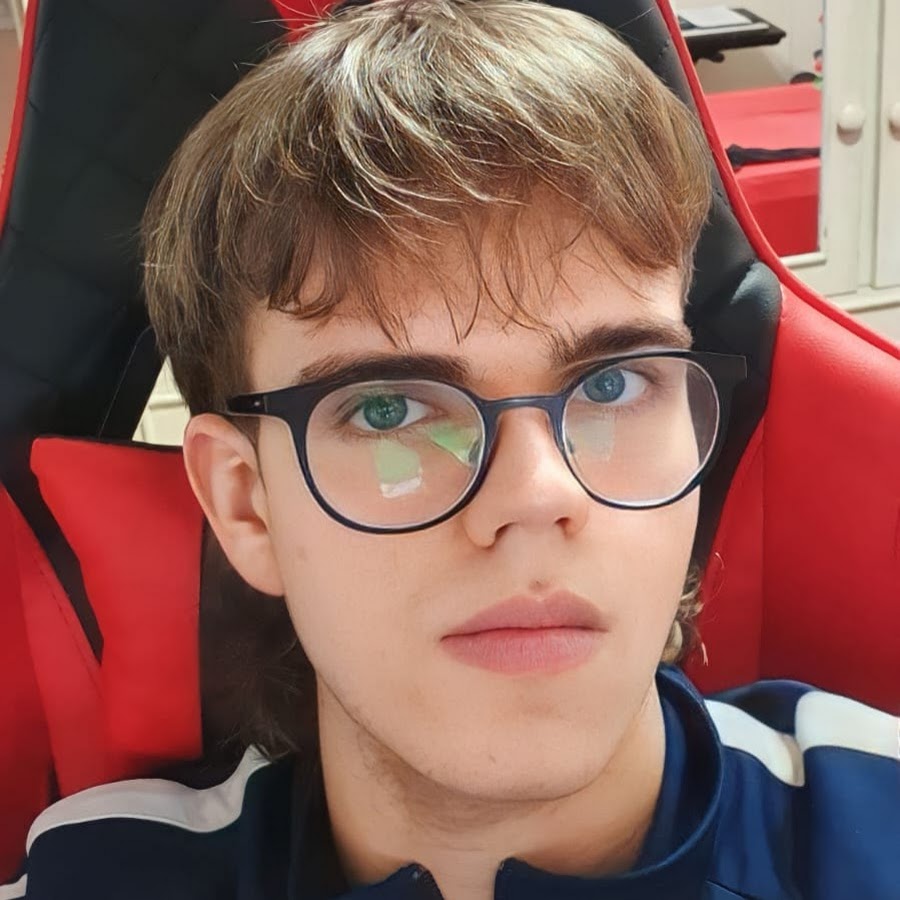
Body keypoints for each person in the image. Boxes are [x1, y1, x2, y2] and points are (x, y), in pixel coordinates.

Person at [5, 1, 898, 898]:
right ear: (246, 503)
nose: (537, 493)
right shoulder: (91, 874)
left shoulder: (878, 822)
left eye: (615, 385)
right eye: (389, 408)